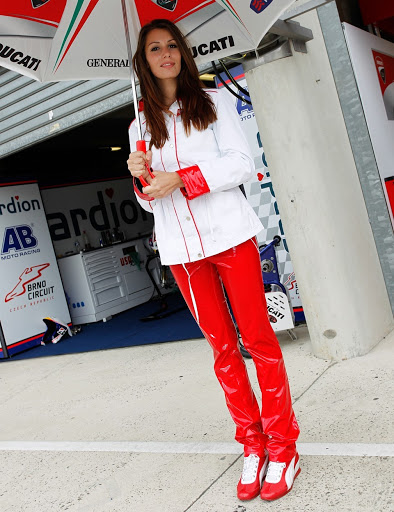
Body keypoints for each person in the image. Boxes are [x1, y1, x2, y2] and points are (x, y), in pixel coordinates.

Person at [127, 18, 300, 502]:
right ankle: (253, 444)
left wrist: (182, 178)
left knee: (259, 341)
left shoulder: (214, 103)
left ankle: (284, 447)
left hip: (229, 236)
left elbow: (243, 165)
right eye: (155, 49)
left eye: (171, 46)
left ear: (183, 52)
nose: (165, 54)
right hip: (182, 253)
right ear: (144, 61)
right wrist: (139, 176)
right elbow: (148, 201)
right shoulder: (139, 125)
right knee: (223, 352)